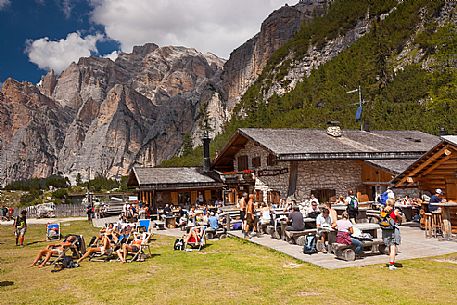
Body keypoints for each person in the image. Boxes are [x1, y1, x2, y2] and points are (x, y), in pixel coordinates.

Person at [381, 199, 402, 270]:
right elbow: (399, 219)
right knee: (393, 248)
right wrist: (399, 216)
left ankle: (390, 261)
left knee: (390, 247)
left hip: (385, 230)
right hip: (392, 230)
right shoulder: (394, 211)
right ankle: (391, 264)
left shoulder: (383, 210)